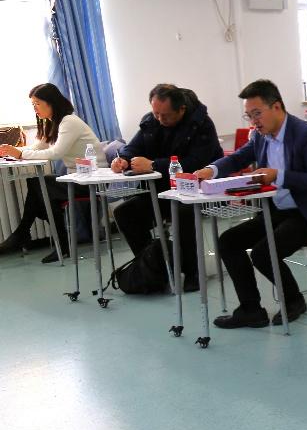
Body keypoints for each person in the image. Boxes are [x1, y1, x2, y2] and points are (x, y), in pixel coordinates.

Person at [195, 80, 307, 329]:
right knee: (228, 242)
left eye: (257, 114)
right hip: (277, 209)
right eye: (249, 116)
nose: (254, 121)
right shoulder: (260, 136)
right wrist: (211, 170)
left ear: (277, 107)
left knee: (263, 253)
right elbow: (238, 157)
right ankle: (251, 310)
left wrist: (278, 176)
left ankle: (293, 300)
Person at [111, 84, 223, 290]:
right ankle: (155, 266)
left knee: (182, 212)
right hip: (162, 191)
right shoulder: (151, 121)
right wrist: (123, 160)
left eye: (166, 115)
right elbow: (132, 147)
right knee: (124, 213)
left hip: (195, 190)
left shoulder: (201, 124)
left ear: (181, 110)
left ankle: (193, 272)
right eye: (156, 114)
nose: (160, 119)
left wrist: (154, 165)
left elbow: (196, 162)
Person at [0, 83, 101, 263]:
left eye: (37, 103)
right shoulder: (54, 123)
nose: (35, 108)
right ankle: (49, 240)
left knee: (40, 186)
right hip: (76, 176)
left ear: (51, 102)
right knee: (38, 188)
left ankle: (26, 233)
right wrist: (12, 152)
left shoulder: (69, 121)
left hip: (92, 179)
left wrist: (20, 154)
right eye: (33, 104)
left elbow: (56, 153)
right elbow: (37, 147)